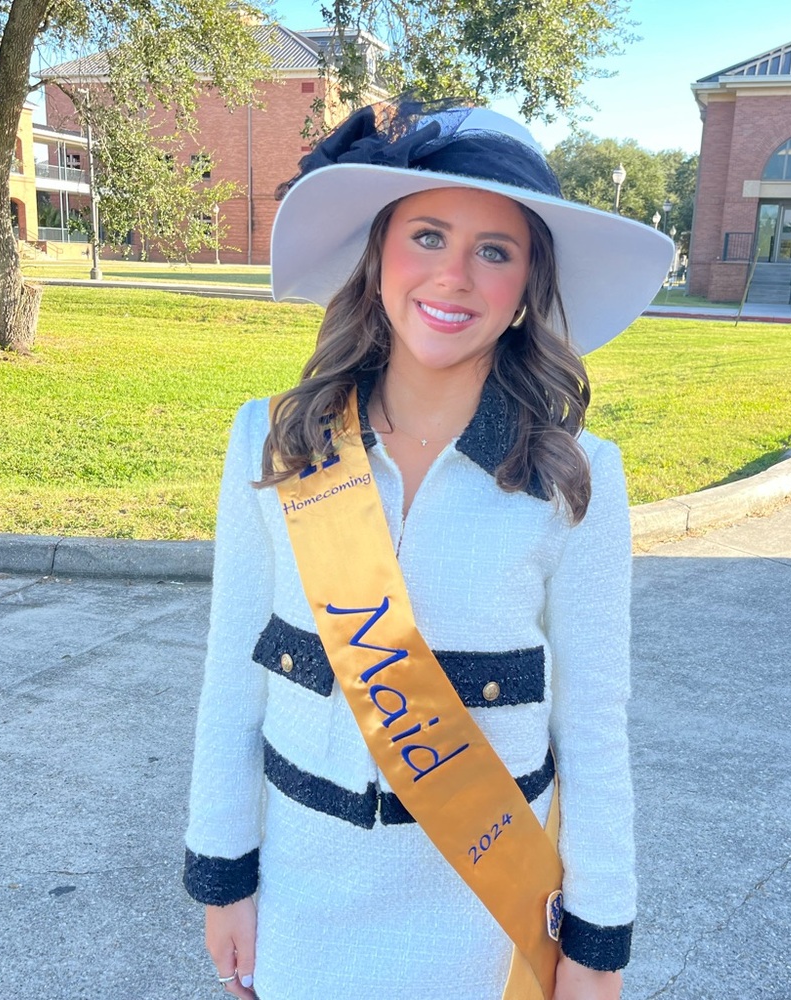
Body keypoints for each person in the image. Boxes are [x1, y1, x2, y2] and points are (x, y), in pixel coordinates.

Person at [184, 98, 673, 1000]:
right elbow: (231, 679)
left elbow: (596, 731)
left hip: (484, 917)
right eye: (428, 237)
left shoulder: (575, 479)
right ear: (377, 260)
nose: (453, 278)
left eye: (495, 251)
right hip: (304, 901)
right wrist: (224, 876)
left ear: (528, 283)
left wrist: (596, 947)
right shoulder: (274, 441)